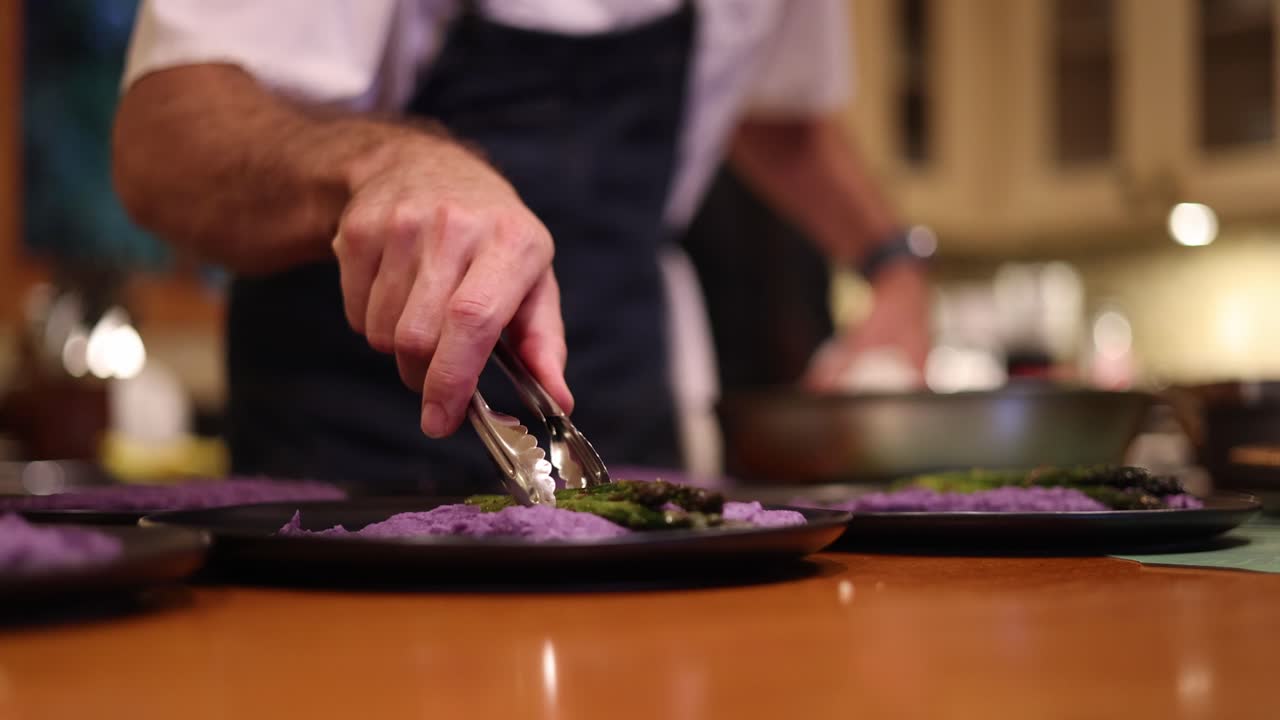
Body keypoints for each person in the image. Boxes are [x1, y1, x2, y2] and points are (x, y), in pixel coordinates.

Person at [112, 0, 930, 493]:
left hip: (626, 416)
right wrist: (383, 163)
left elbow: (782, 117)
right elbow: (157, 141)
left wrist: (893, 266)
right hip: (337, 463)